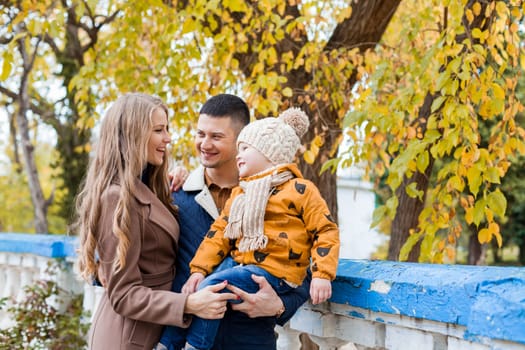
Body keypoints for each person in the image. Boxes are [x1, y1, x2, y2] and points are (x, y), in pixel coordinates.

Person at [73, 93, 236, 350]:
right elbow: (123, 294)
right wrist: (189, 304)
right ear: (133, 134)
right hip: (127, 337)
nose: (168, 138)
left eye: (167, 129)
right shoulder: (116, 197)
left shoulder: (146, 187)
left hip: (150, 333)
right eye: (159, 130)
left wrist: (181, 177)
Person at [157, 94, 313, 350]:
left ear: (242, 141)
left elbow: (304, 267)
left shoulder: (281, 200)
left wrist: (281, 306)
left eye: (216, 137)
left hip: (251, 340)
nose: (205, 144)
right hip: (187, 340)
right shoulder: (176, 194)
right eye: (200, 134)